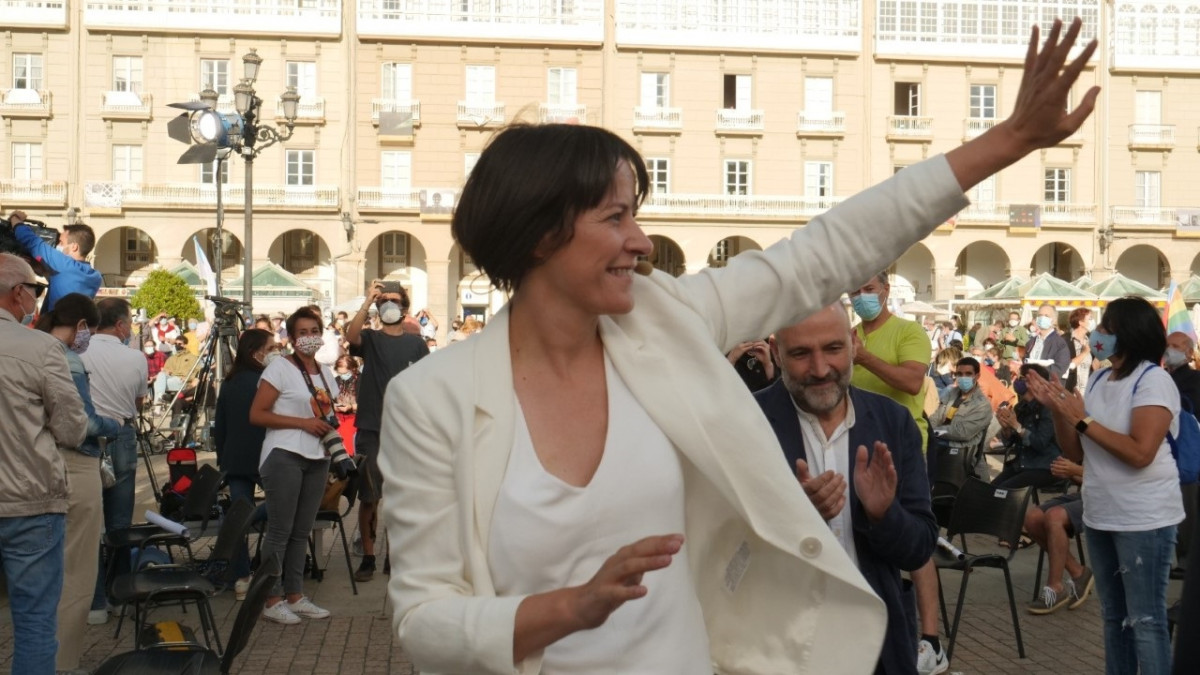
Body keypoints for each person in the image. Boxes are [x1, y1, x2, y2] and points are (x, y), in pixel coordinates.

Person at [376, 21, 1099, 673]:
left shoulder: (665, 321)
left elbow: (823, 253)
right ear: (540, 235)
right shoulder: (432, 399)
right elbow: (423, 618)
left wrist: (1008, 141)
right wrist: (569, 607)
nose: (640, 241)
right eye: (616, 218)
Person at [759, 306, 937, 675]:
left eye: (833, 348)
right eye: (801, 353)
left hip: (877, 646)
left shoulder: (893, 421)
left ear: (854, 344)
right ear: (776, 352)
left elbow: (919, 547)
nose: (820, 368)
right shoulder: (746, 420)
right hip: (778, 645)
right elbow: (720, 551)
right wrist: (795, 518)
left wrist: (883, 515)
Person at [1027, 295, 1182, 674]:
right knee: (1115, 618)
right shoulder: (1098, 378)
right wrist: (1060, 411)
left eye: (1105, 328)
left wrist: (1081, 419)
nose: (1096, 335)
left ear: (1128, 334)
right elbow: (1076, 452)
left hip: (1144, 518)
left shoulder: (1154, 380)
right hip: (1101, 514)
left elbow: (1140, 452)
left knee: (1146, 620)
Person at [0, 252, 87, 675]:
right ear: (18, 293)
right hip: (28, 499)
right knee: (34, 620)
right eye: (36, 290)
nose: (36, 299)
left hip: (27, 499)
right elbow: (72, 428)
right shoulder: (39, 347)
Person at [34, 293, 122, 672]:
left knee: (45, 571)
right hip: (76, 462)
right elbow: (81, 423)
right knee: (77, 570)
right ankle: (63, 662)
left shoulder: (32, 346)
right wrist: (114, 425)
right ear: (82, 325)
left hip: (37, 464)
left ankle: (43, 659)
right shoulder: (67, 359)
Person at [249, 307, 338, 625]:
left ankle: (295, 595)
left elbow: (327, 414)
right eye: (302, 332)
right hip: (284, 454)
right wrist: (302, 423)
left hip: (317, 457)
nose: (309, 337)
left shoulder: (326, 373)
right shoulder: (280, 369)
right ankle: (271, 599)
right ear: (291, 337)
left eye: (314, 331)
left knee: (302, 531)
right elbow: (257, 414)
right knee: (280, 530)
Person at [346, 282, 429, 582]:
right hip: (371, 428)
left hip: (405, 432)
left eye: (394, 300)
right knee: (370, 497)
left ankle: (394, 557)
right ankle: (368, 557)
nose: (389, 304)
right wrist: (367, 301)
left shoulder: (417, 345)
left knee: (400, 499)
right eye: (383, 300)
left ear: (405, 306)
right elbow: (351, 336)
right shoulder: (370, 338)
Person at [79, 297, 147, 625]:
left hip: (87, 437)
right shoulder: (135, 356)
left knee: (90, 523)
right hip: (122, 433)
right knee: (120, 523)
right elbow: (138, 400)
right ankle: (120, 596)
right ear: (120, 325)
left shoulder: (79, 352)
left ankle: (94, 602)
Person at [214, 328, 276, 600]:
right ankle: (274, 571)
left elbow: (220, 425)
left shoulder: (230, 381)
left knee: (238, 515)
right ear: (255, 352)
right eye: (271, 348)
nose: (275, 353)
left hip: (235, 460)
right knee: (285, 504)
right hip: (266, 456)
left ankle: (241, 577)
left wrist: (223, 460)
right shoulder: (268, 381)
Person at [1024, 456, 1093, 614]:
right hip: (1088, 493)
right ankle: (1078, 572)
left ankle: (1055, 587)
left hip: (1110, 499)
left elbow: (1113, 480)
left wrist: (1075, 470)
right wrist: (1069, 473)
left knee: (1054, 517)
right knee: (1032, 518)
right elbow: (1087, 481)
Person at [8, 210, 102, 312]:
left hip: (55, 321)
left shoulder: (65, 264)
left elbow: (32, 241)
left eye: (61, 242)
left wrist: (15, 218)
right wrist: (43, 270)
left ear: (74, 247)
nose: (58, 245)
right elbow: (64, 282)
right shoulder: (95, 276)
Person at [992, 363, 1062, 489]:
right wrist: (1006, 428)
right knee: (989, 489)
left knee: (1003, 491)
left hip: (1044, 466)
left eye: (1021, 378)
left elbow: (1040, 443)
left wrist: (1016, 426)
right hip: (1023, 463)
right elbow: (1010, 442)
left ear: (1034, 382)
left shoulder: (1048, 408)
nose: (1016, 381)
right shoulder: (1021, 407)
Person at [1165, 330, 1200, 578]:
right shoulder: (1164, 377)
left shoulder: (1194, 380)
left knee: (1187, 501)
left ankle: (1187, 560)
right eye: (1168, 346)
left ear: (1189, 353)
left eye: (1176, 347)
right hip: (1167, 449)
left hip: (1186, 449)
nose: (1170, 351)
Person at [1024, 303, 1071, 380]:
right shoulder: (1031, 342)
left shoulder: (1060, 343)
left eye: (1046, 316)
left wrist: (1037, 374)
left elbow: (1060, 368)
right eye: (1040, 315)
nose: (1042, 318)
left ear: (1054, 320)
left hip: (1048, 385)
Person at [332, 354, 360, 458]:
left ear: (353, 369)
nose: (342, 376)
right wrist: (334, 406)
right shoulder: (336, 380)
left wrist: (351, 407)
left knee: (350, 451)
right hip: (339, 420)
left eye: (345, 373)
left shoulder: (361, 381)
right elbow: (329, 400)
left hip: (354, 420)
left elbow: (367, 404)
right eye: (340, 373)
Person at [1067, 307, 1093, 394]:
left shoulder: (1091, 340)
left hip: (1087, 392)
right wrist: (1085, 352)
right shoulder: (1065, 340)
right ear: (1081, 322)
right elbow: (1066, 366)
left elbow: (1094, 365)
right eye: (1090, 319)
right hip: (1071, 392)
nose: (1092, 322)